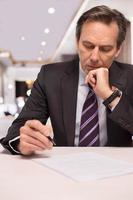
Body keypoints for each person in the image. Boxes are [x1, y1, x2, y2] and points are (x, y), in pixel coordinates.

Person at [0, 5, 133, 155]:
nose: (95, 57)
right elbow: (18, 128)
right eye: (88, 46)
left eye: (105, 49)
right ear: (77, 42)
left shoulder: (130, 76)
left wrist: (110, 96)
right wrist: (22, 141)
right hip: (65, 166)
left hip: (119, 168)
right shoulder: (50, 76)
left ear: (118, 50)